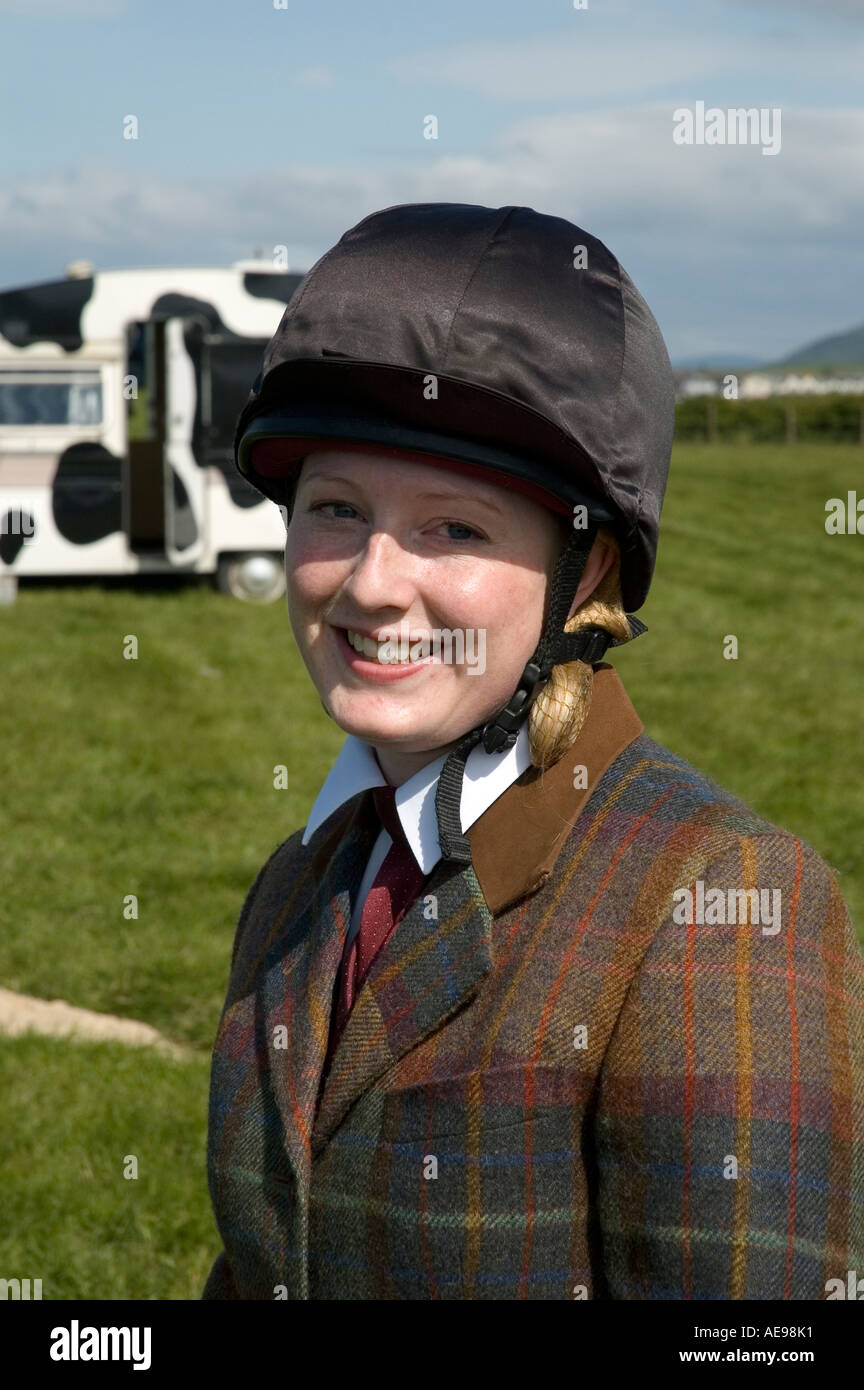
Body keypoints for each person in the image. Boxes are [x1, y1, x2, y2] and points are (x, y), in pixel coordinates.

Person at [203, 202, 864, 1301]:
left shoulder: (721, 901)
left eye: (453, 528)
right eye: (335, 508)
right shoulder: (300, 883)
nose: (370, 581)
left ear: (588, 571)